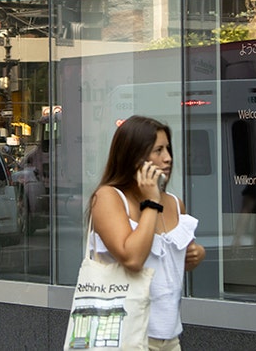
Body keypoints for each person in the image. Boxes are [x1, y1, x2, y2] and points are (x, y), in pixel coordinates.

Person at [88, 116, 206, 351]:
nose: (168, 158)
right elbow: (133, 259)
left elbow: (170, 264)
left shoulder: (174, 203)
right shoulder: (109, 198)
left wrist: (196, 254)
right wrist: (151, 202)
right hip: (125, 336)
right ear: (134, 156)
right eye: (158, 150)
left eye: (168, 149)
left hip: (169, 338)